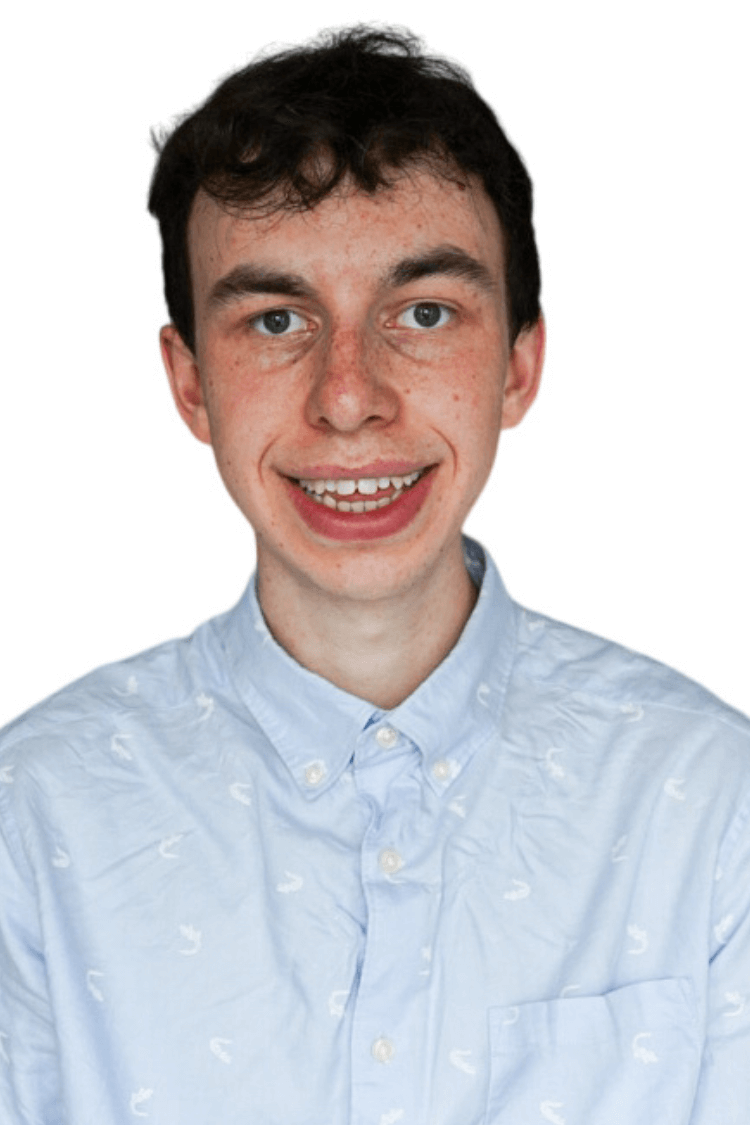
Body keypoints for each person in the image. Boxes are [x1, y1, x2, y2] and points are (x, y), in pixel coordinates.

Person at [1, 25, 748, 1125]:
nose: (348, 397)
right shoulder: (32, 821)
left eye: (425, 313)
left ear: (520, 364)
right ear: (192, 384)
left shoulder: (715, 806)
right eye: (277, 319)